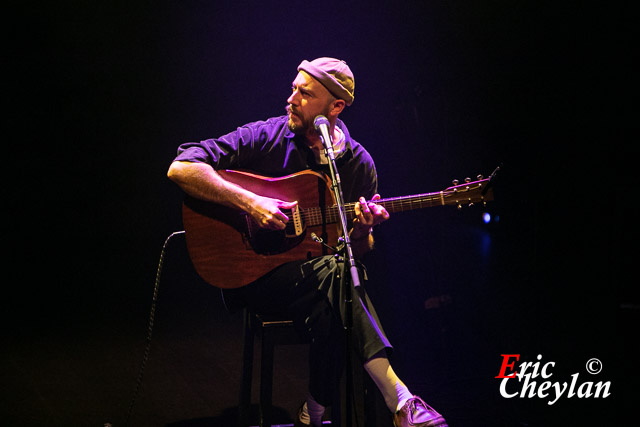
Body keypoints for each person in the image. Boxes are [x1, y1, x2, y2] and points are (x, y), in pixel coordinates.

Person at [167, 57, 447, 427]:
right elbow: (182, 168)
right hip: (254, 278)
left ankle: (312, 414)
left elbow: (357, 252)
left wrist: (362, 231)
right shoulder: (268, 135)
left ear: (335, 107)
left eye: (305, 93)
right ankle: (400, 400)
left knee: (339, 293)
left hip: (320, 282)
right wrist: (251, 202)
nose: (291, 99)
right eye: (294, 88)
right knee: (340, 283)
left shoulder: (359, 165)